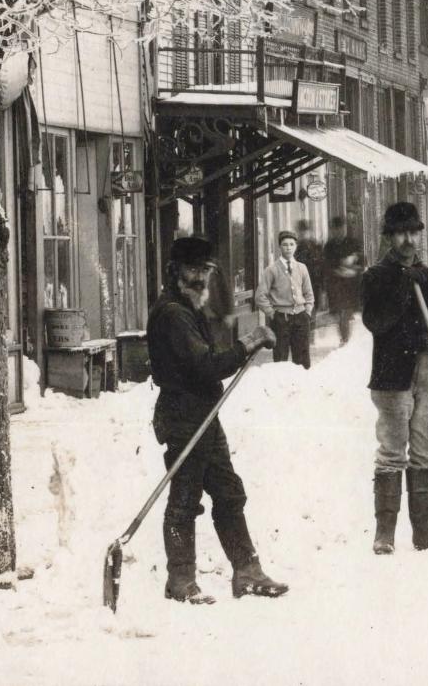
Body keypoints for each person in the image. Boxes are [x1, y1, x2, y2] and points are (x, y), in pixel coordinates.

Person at [146, 235, 287, 603]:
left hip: (203, 414)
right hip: (183, 415)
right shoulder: (174, 314)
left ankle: (247, 570)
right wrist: (249, 343)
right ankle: (180, 580)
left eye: (205, 271)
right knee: (185, 497)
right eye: (193, 270)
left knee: (227, 491)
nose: (200, 278)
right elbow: (206, 365)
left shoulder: (189, 309)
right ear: (175, 271)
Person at [360, 202, 428, 555]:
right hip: (393, 375)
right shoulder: (376, 276)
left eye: (414, 232)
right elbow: (377, 323)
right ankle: (384, 533)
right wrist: (405, 288)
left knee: (426, 447)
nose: (409, 239)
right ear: (389, 237)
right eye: (401, 233)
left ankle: (424, 530)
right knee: (393, 449)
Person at [254, 230, 315, 368]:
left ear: (296, 246)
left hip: (301, 318)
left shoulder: (302, 268)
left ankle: (302, 388)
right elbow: (260, 296)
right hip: (281, 320)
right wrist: (272, 313)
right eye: (285, 245)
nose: (288, 248)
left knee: (302, 361)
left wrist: (307, 311)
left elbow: (309, 293)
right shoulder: (271, 269)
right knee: (281, 359)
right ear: (279, 247)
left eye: (291, 244)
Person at [324, 215, 364, 346]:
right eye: (336, 229)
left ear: (344, 228)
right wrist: (337, 269)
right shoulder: (329, 246)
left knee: (346, 311)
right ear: (332, 230)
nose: (339, 231)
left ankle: (345, 338)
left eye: (341, 228)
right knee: (339, 312)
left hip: (351, 284)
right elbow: (326, 265)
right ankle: (344, 336)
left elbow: (362, 262)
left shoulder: (353, 243)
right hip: (336, 284)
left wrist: (353, 268)